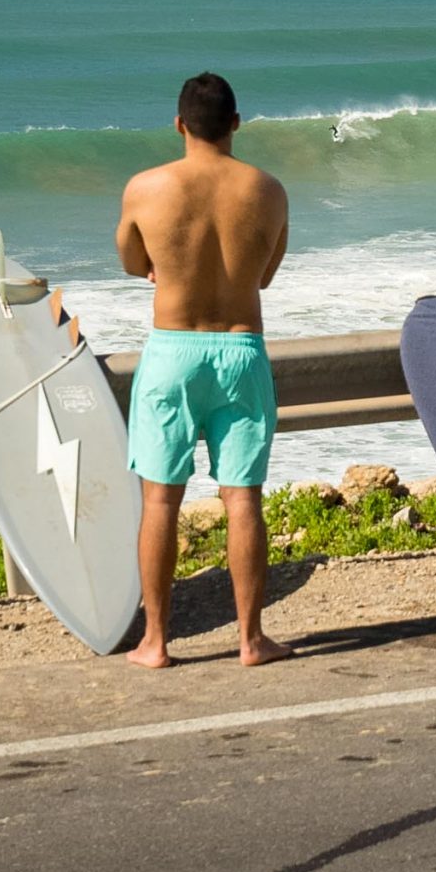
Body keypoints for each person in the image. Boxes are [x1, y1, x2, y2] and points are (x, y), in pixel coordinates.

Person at [115, 72, 294, 667]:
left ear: (179, 124)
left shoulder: (145, 187)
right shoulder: (269, 191)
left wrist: (167, 263)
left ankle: (156, 642)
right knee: (242, 499)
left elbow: (131, 259)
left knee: (161, 502)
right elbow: (262, 275)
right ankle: (250, 641)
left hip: (172, 350)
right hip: (241, 351)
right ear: (237, 123)